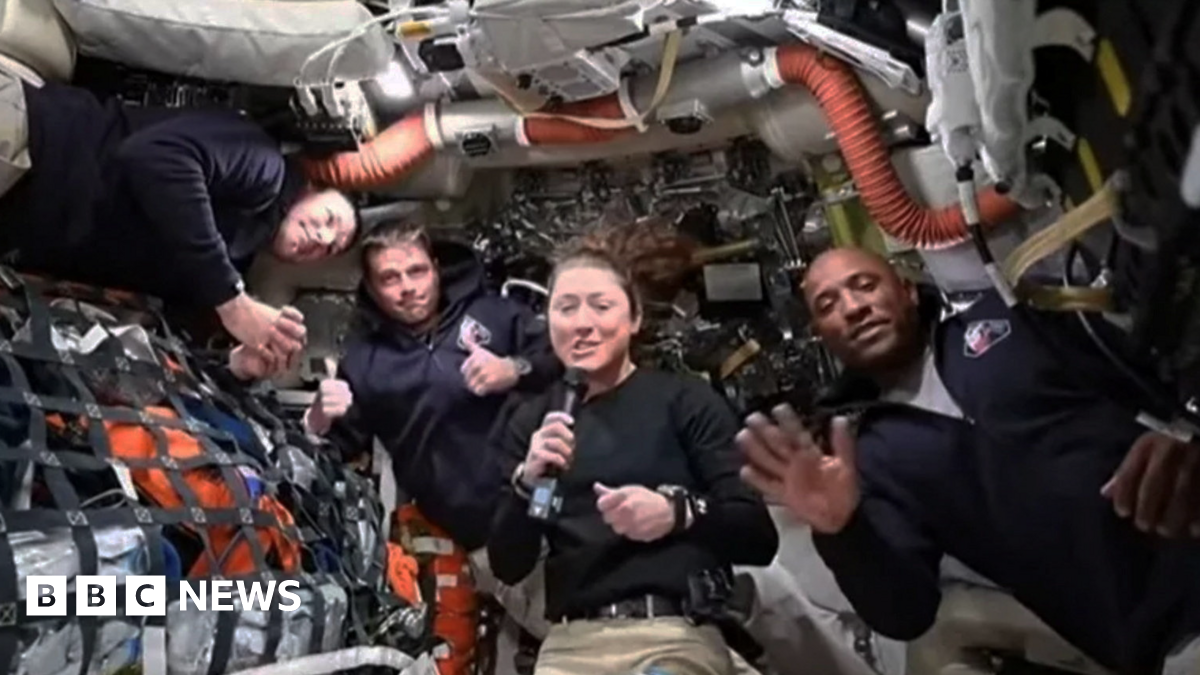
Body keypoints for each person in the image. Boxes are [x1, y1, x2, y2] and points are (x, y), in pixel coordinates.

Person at [738, 246, 1200, 675]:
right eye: (828, 305)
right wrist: (840, 531)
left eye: (864, 285)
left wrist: (1191, 429)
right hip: (1164, 636)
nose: (853, 308)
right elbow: (905, 613)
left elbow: (1156, 362)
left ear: (906, 290)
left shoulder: (1008, 318)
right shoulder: (870, 457)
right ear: (823, 336)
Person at [487, 241, 779, 675]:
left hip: (673, 635)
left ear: (635, 318)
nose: (582, 324)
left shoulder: (685, 401)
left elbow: (758, 536)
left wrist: (676, 513)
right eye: (566, 308)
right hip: (571, 645)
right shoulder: (533, 423)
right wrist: (530, 484)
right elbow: (509, 565)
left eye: (601, 306)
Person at [0, 71, 359, 374]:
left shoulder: (225, 266)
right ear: (311, 190)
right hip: (30, 142)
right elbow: (153, 157)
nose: (322, 236)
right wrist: (233, 302)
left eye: (331, 248)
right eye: (329, 218)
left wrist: (235, 363)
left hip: (15, 226)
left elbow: (164, 330)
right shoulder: (264, 166)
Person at [302, 221, 561, 639]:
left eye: (417, 271)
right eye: (390, 278)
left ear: (436, 268)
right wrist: (317, 418)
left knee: (632, 623)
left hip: (563, 500)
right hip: (492, 538)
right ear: (370, 287)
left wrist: (514, 368)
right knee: (574, 641)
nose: (407, 287)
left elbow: (563, 357)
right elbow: (336, 453)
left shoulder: (493, 313)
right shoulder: (365, 364)